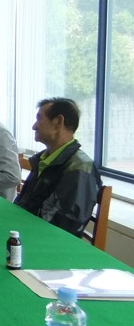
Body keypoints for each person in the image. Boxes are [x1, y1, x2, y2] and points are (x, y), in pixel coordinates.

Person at [15, 98, 101, 236]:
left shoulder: (79, 167)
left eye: (39, 119)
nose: (34, 126)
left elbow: (63, 225)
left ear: (59, 122)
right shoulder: (43, 159)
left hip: (44, 240)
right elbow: (23, 204)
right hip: (24, 230)